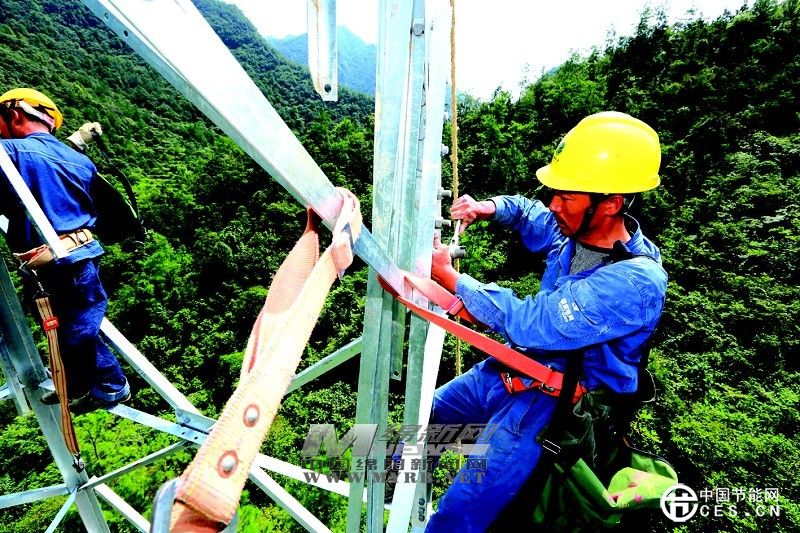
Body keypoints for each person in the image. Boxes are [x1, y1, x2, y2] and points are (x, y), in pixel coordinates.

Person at [426, 111, 668, 531]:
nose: (554, 204)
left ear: (610, 204)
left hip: (547, 405)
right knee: (426, 421)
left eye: (566, 197)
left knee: (460, 514)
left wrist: (452, 280)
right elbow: (528, 213)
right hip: (508, 370)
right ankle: (396, 491)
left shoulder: (635, 282)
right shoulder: (572, 232)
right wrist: (489, 208)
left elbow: (534, 322)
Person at [0, 87, 130, 413]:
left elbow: (32, 165)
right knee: (65, 325)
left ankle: (111, 386)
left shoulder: (10, 154)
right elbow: (49, 169)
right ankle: (74, 382)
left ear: (13, 115)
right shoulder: (78, 160)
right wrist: (78, 141)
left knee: (76, 329)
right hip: (75, 254)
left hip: (58, 260)